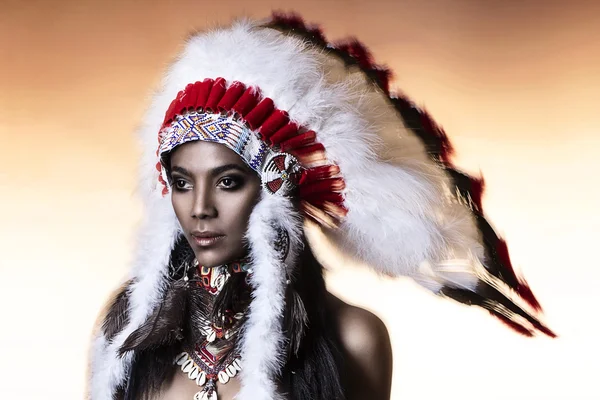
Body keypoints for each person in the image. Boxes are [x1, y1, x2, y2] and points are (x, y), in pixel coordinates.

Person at [88, 13, 554, 400]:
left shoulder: (354, 337)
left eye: (228, 182)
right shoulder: (129, 327)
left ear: (275, 191)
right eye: (183, 183)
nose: (200, 208)